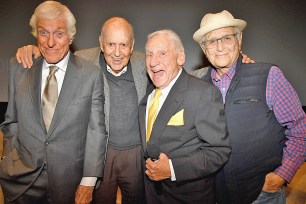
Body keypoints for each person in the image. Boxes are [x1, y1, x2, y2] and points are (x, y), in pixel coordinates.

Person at [15, 17, 148, 204]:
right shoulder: (82, 60)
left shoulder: (145, 63)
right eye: (110, 44)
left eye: (123, 45)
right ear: (101, 43)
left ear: (132, 45)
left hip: (135, 153)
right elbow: (53, 55)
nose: (117, 52)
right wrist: (34, 50)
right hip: (99, 154)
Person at [192, 10, 306, 204]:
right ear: (204, 48)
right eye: (211, 41)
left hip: (262, 195)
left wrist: (280, 176)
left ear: (239, 39)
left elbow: (300, 129)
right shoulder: (198, 86)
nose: (219, 47)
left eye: (226, 37)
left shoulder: (268, 76)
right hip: (214, 195)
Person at [0, 1, 108, 204]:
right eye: (43, 33)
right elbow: (11, 121)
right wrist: (10, 162)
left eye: (59, 33)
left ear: (71, 36)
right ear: (35, 33)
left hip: (70, 185)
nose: (50, 42)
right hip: (22, 182)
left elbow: (96, 131)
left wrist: (88, 181)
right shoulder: (19, 66)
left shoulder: (91, 75)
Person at [139, 29, 231, 203]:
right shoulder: (150, 93)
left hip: (186, 196)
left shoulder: (204, 93)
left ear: (180, 58)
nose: (153, 62)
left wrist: (172, 168)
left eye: (162, 53)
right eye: (149, 54)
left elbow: (219, 150)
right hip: (151, 194)